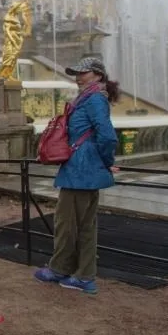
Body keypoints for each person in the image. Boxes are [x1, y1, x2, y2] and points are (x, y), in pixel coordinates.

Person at [34, 57, 119, 294]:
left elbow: (108, 136)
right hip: (83, 169)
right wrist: (102, 163)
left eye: (84, 72)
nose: (78, 76)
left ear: (98, 75)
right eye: (76, 72)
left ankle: (61, 270)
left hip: (80, 171)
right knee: (84, 225)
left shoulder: (93, 100)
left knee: (66, 223)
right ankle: (82, 276)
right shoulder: (90, 98)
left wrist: (106, 161)